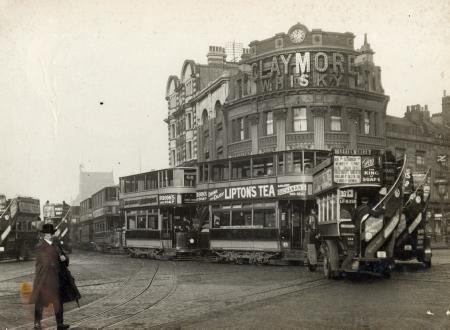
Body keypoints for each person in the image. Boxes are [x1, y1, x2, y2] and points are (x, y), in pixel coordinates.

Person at [31, 223, 78, 330]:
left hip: (57, 278)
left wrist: (64, 258)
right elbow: (41, 262)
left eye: (50, 233)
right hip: (44, 278)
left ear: (52, 234)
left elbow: (64, 257)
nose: (48, 235)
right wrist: (54, 261)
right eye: (46, 234)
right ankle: (37, 324)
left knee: (58, 301)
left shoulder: (56, 244)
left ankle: (60, 324)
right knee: (40, 301)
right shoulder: (39, 247)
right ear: (43, 235)